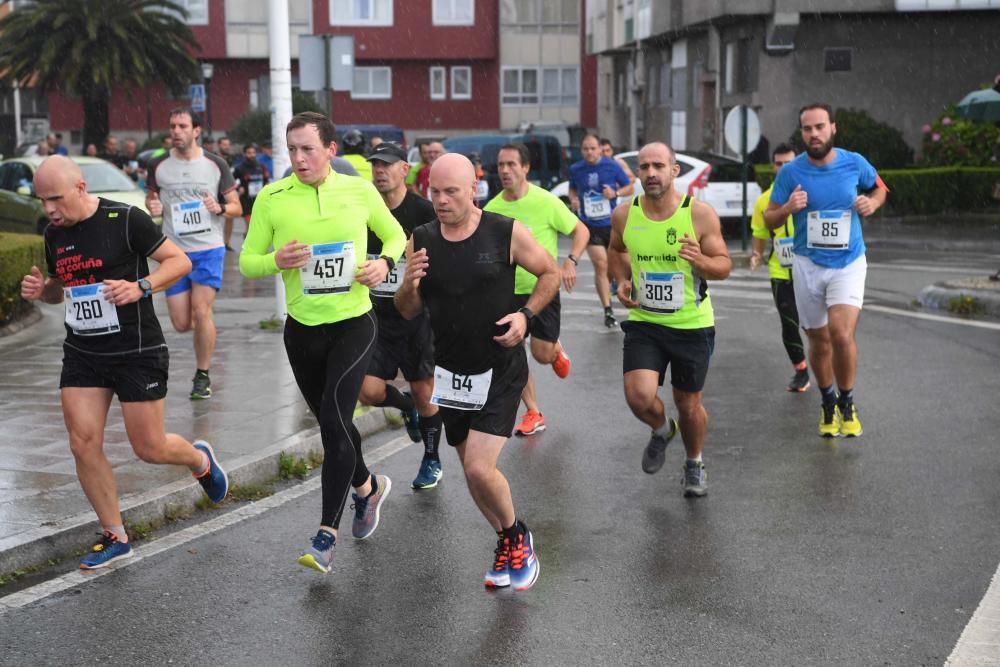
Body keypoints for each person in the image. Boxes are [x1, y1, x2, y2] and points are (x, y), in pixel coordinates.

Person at [19, 156, 229, 570]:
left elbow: (179, 262)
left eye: (56, 199)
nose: (50, 210)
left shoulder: (126, 219)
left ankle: (199, 460)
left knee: (149, 448)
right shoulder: (53, 235)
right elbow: (61, 290)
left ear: (80, 188)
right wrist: (42, 290)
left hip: (136, 351)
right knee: (81, 442)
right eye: (43, 201)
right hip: (83, 353)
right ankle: (115, 533)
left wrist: (141, 287)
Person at [240, 112, 407, 574]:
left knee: (335, 421)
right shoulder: (273, 198)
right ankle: (369, 488)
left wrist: (383, 264)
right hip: (302, 330)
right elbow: (248, 263)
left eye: (307, 148)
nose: (298, 158)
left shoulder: (356, 189)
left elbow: (394, 235)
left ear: (331, 150)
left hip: (354, 323)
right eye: (291, 149)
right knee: (333, 426)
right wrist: (276, 259)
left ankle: (325, 536)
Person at [395, 153, 559, 592]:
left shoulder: (504, 231)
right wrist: (408, 283)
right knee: (471, 471)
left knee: (482, 469)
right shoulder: (422, 238)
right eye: (435, 192)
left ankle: (518, 537)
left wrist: (525, 316)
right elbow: (407, 310)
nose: (442, 201)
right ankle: (506, 540)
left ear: (473, 189)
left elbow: (550, 272)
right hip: (452, 372)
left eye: (452, 192)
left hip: (501, 369)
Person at [609, 142, 731, 497]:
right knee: (638, 396)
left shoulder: (699, 214)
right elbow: (616, 249)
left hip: (691, 324)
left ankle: (694, 462)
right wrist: (622, 280)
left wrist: (701, 262)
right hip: (645, 321)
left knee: (689, 403)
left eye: (658, 166)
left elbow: (723, 264)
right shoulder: (624, 214)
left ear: (674, 171)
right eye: (644, 167)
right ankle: (662, 429)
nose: (650, 173)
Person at [765, 103, 889, 438]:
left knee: (841, 334)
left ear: (833, 127)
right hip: (807, 264)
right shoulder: (791, 172)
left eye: (820, 127)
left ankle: (847, 401)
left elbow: (879, 187)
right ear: (801, 133)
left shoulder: (854, 162)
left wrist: (873, 203)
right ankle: (827, 400)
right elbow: (769, 217)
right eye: (807, 129)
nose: (814, 134)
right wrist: (788, 208)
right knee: (818, 341)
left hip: (848, 261)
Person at [484, 143, 589, 437]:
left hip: (542, 290)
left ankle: (554, 350)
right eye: (501, 165)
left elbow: (581, 231)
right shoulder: (492, 209)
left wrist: (570, 261)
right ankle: (533, 411)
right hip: (505, 295)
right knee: (512, 354)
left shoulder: (546, 202)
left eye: (511, 164)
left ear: (526, 168)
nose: (504, 170)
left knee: (541, 354)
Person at [361, 141, 444, 488]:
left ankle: (431, 458)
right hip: (375, 315)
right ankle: (405, 406)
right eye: (375, 165)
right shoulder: (363, 210)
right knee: (368, 391)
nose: (379, 171)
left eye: (387, 164)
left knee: (425, 393)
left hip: (415, 316)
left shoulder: (423, 211)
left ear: (403, 170)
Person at [145, 108, 241, 400]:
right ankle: (205, 339)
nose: (176, 131)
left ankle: (202, 375)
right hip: (174, 252)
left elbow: (236, 206)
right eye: (172, 125)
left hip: (208, 248)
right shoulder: (158, 164)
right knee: (181, 323)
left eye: (182, 126)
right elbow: (151, 197)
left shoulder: (215, 164)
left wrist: (220, 209)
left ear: (196, 130)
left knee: (201, 312)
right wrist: (153, 207)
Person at [750, 144, 811, 393]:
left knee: (815, 325)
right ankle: (801, 370)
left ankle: (825, 364)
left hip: (809, 269)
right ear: (773, 166)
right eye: (779, 163)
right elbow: (760, 231)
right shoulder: (765, 199)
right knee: (789, 323)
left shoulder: (809, 192)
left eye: (789, 163)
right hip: (780, 270)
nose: (784, 168)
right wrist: (756, 254)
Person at [569, 133, 634, 328]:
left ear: (600, 149)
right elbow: (572, 189)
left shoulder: (612, 166)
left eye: (593, 148)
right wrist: (573, 199)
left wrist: (615, 193)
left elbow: (629, 187)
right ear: (582, 151)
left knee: (624, 264)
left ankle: (631, 293)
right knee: (602, 266)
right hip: (589, 225)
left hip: (612, 224)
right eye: (585, 149)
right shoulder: (575, 169)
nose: (589, 152)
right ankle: (608, 310)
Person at [228, 143, 270, 251]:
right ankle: (249, 247)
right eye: (249, 153)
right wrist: (239, 188)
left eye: (253, 153)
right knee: (250, 225)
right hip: (246, 201)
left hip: (259, 200)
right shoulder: (240, 168)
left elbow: (266, 180)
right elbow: (231, 181)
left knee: (258, 225)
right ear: (244, 154)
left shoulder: (261, 166)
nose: (251, 155)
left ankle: (253, 243)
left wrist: (266, 187)